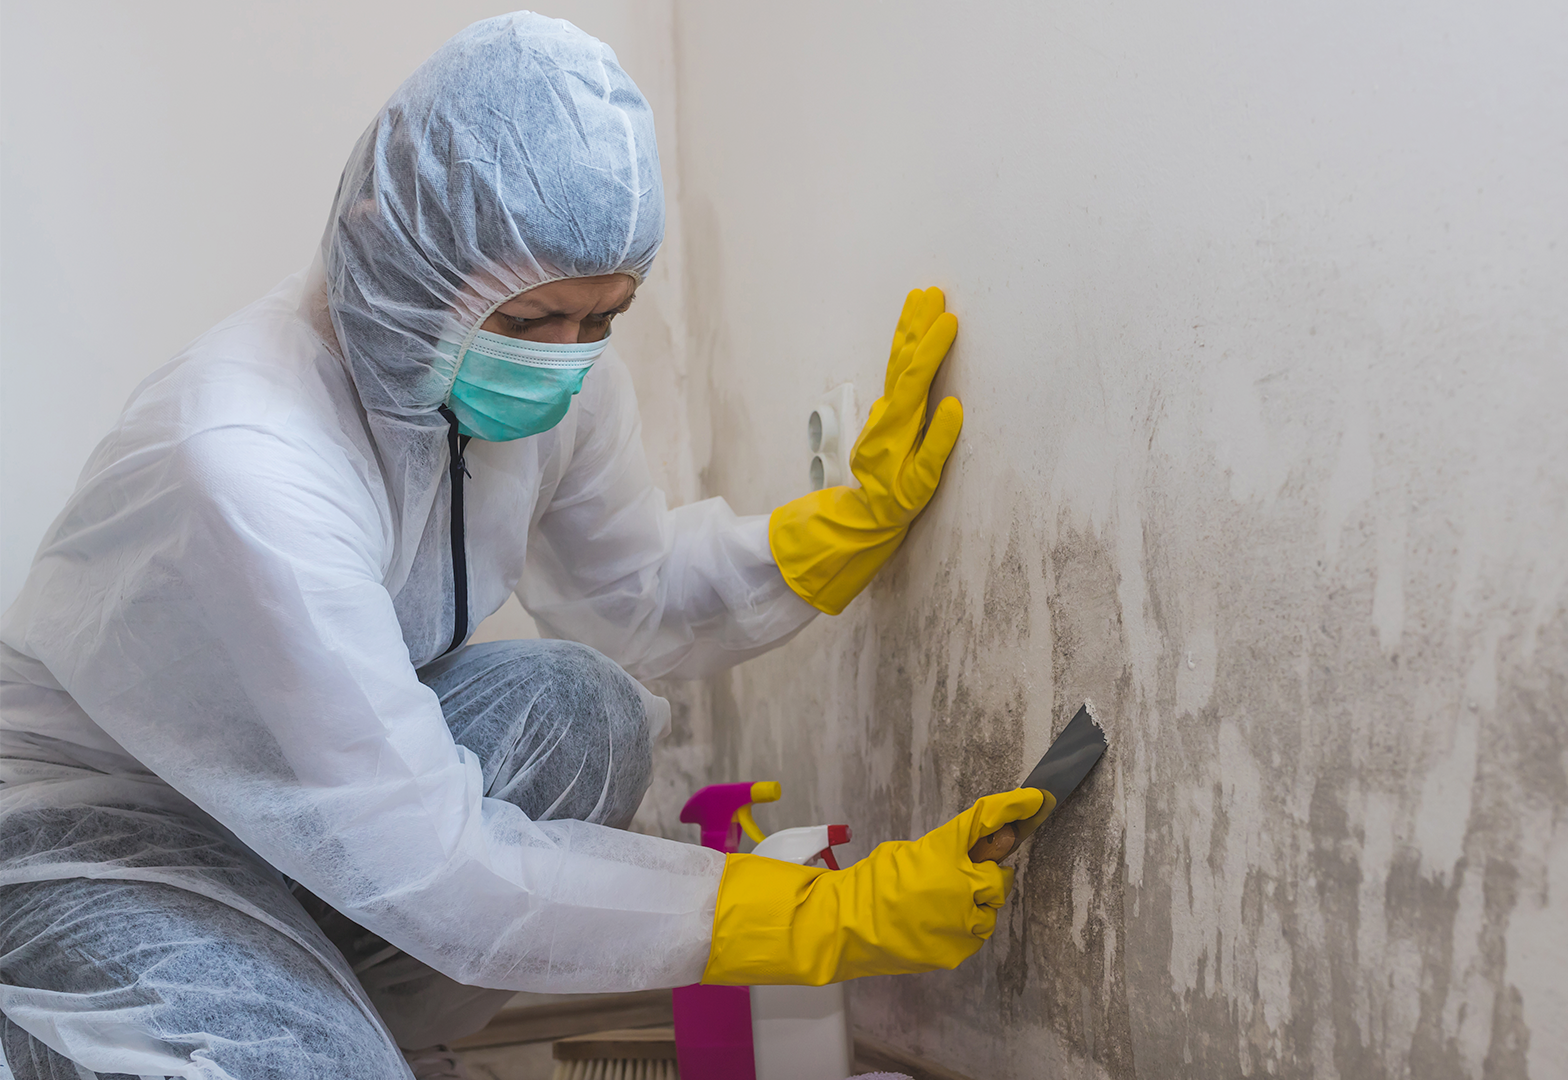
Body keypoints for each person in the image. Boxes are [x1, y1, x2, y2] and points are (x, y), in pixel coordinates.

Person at [0, 14, 1039, 1079]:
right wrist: (818, 914)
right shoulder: (245, 455)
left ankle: (331, 1024)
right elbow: (434, 861)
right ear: (390, 240)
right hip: (105, 829)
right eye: (536, 320)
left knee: (580, 712)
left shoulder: (552, 383)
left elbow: (630, 595)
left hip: (307, 819)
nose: (566, 360)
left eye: (605, 319)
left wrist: (836, 533)